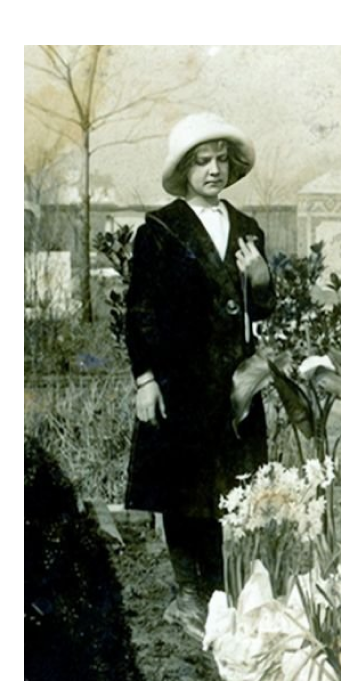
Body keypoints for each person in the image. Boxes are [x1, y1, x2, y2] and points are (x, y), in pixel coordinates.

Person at [124, 113, 274, 636]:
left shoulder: (247, 229)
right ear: (185, 170)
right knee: (182, 489)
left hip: (234, 381)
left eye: (221, 160)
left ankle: (221, 587)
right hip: (180, 381)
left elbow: (262, 308)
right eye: (202, 161)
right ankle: (189, 591)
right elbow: (140, 311)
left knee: (227, 486)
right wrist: (145, 380)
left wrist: (260, 276)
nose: (214, 170)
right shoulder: (161, 230)